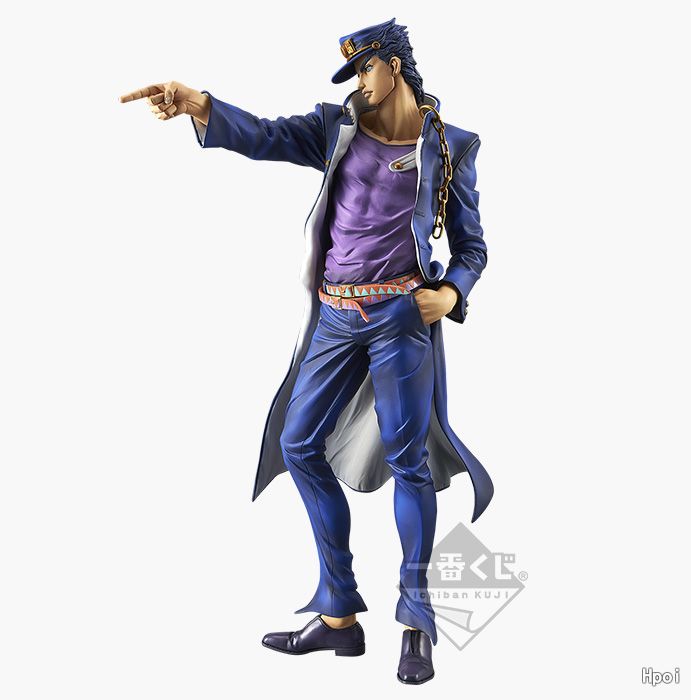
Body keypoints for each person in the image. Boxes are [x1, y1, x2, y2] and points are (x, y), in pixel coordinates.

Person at [119, 17, 493, 685]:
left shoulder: (450, 146)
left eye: (365, 70)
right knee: (297, 443)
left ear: (394, 66)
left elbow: (472, 247)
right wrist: (200, 105)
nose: (359, 84)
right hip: (335, 315)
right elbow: (265, 135)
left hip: (400, 318)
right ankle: (339, 613)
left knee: (409, 463)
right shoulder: (335, 128)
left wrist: (451, 294)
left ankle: (416, 624)